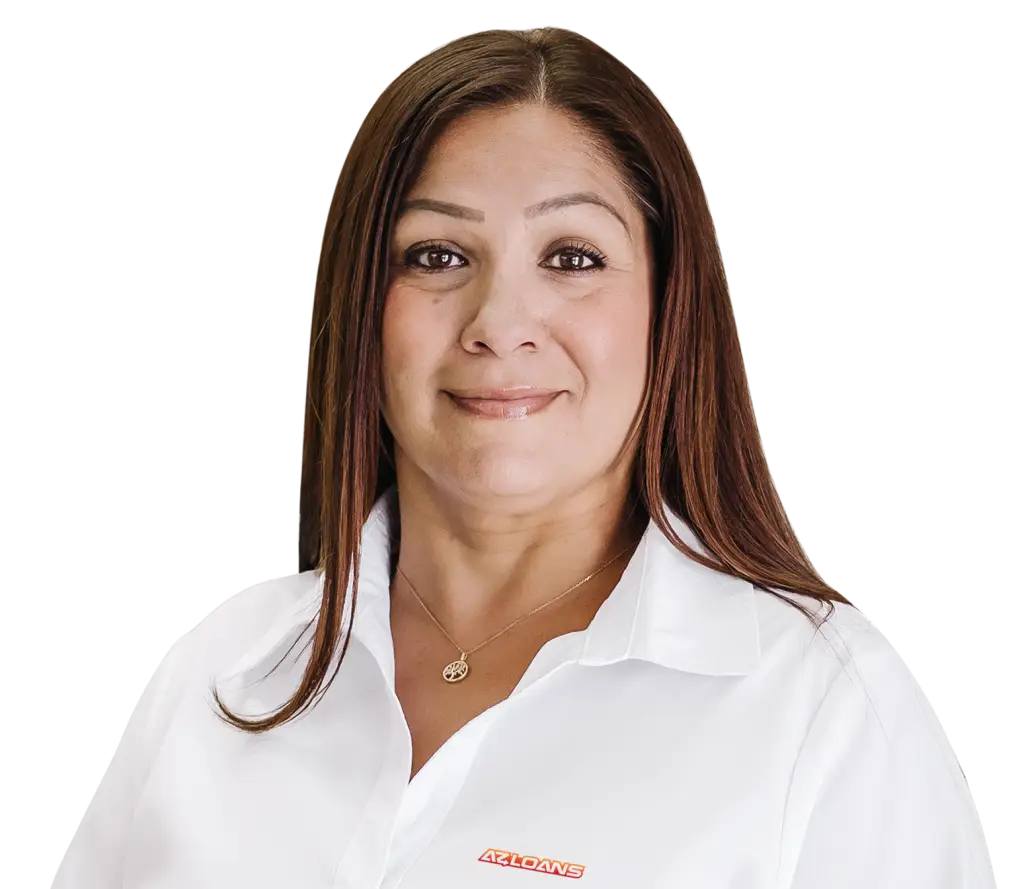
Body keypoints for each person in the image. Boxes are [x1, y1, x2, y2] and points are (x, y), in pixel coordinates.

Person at [55, 26, 995, 888]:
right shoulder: (216, 668)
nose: (500, 324)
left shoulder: (828, 708)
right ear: (362, 303)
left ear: (669, 307)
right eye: (436, 255)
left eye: (572, 257)